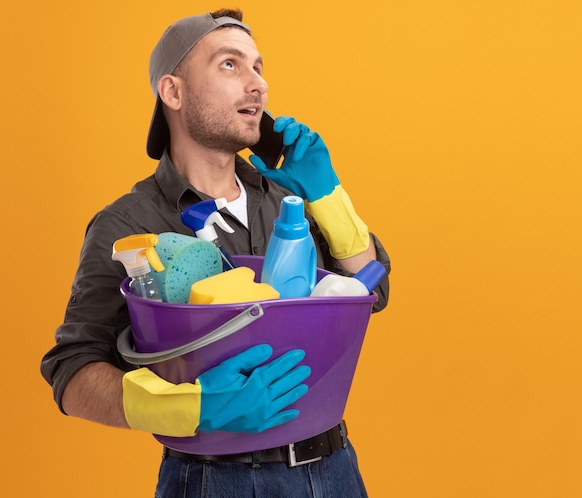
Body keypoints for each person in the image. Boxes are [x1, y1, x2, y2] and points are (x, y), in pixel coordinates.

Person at [41, 8, 391, 498]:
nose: (258, 85)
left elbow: (371, 290)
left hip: (333, 469)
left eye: (258, 67)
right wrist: (190, 408)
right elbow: (72, 370)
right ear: (174, 92)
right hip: (213, 479)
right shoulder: (127, 225)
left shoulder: (286, 195)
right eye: (230, 64)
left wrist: (328, 195)